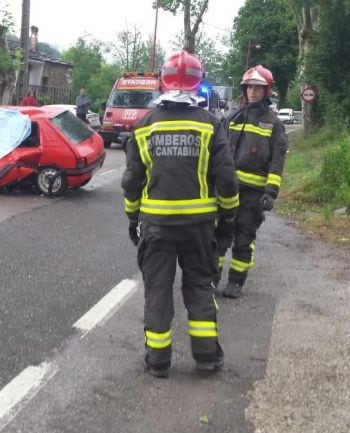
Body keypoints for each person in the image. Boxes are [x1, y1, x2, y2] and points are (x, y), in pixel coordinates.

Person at [122, 50, 239, 378]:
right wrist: (228, 218)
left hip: (156, 225)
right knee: (201, 286)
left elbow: (132, 181)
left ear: (163, 81)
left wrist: (133, 218)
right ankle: (206, 358)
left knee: (157, 290)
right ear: (197, 83)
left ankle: (158, 361)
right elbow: (227, 180)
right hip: (200, 227)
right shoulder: (210, 125)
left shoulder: (144, 126)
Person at [214, 65, 288, 299]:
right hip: (227, 190)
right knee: (218, 235)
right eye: (249, 88)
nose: (253, 92)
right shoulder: (233, 118)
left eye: (258, 88)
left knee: (244, 237)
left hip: (254, 193)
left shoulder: (273, 124)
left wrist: (271, 192)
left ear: (266, 91)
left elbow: (277, 161)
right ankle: (211, 278)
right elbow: (218, 150)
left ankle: (236, 281)